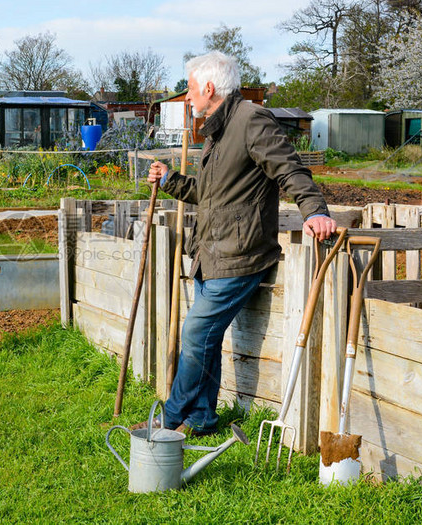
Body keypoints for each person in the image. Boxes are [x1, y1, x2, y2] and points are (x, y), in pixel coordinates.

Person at [134, 51, 336, 437]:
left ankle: (169, 419)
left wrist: (314, 211)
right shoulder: (218, 130)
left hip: (241, 255)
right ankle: (203, 419)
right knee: (206, 340)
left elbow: (290, 170)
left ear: (209, 88)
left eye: (190, 89)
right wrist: (171, 179)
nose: (187, 97)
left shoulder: (252, 121)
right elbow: (210, 195)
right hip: (210, 253)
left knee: (195, 334)